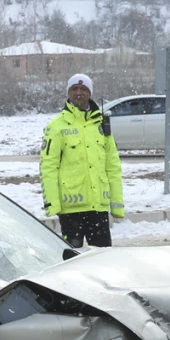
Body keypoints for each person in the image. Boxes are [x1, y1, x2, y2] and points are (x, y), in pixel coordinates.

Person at [41, 73, 124, 247]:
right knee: (72, 263)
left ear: (90, 93)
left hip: (98, 208)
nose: (79, 93)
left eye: (84, 89)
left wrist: (117, 205)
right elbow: (48, 167)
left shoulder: (102, 125)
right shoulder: (56, 127)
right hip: (71, 211)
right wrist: (52, 204)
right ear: (68, 93)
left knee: (103, 260)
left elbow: (113, 167)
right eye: (74, 89)